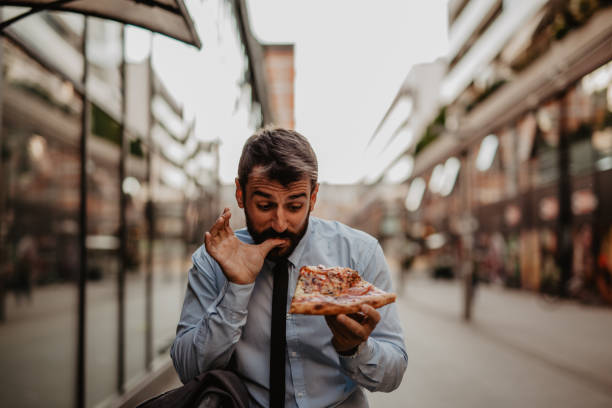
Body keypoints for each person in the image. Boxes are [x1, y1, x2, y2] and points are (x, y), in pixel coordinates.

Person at [171, 128, 407, 407]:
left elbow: (394, 372)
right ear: (239, 193)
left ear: (314, 196)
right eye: (264, 205)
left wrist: (355, 349)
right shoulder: (212, 261)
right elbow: (188, 371)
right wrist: (237, 288)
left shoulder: (358, 253)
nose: (280, 223)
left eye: (295, 206)